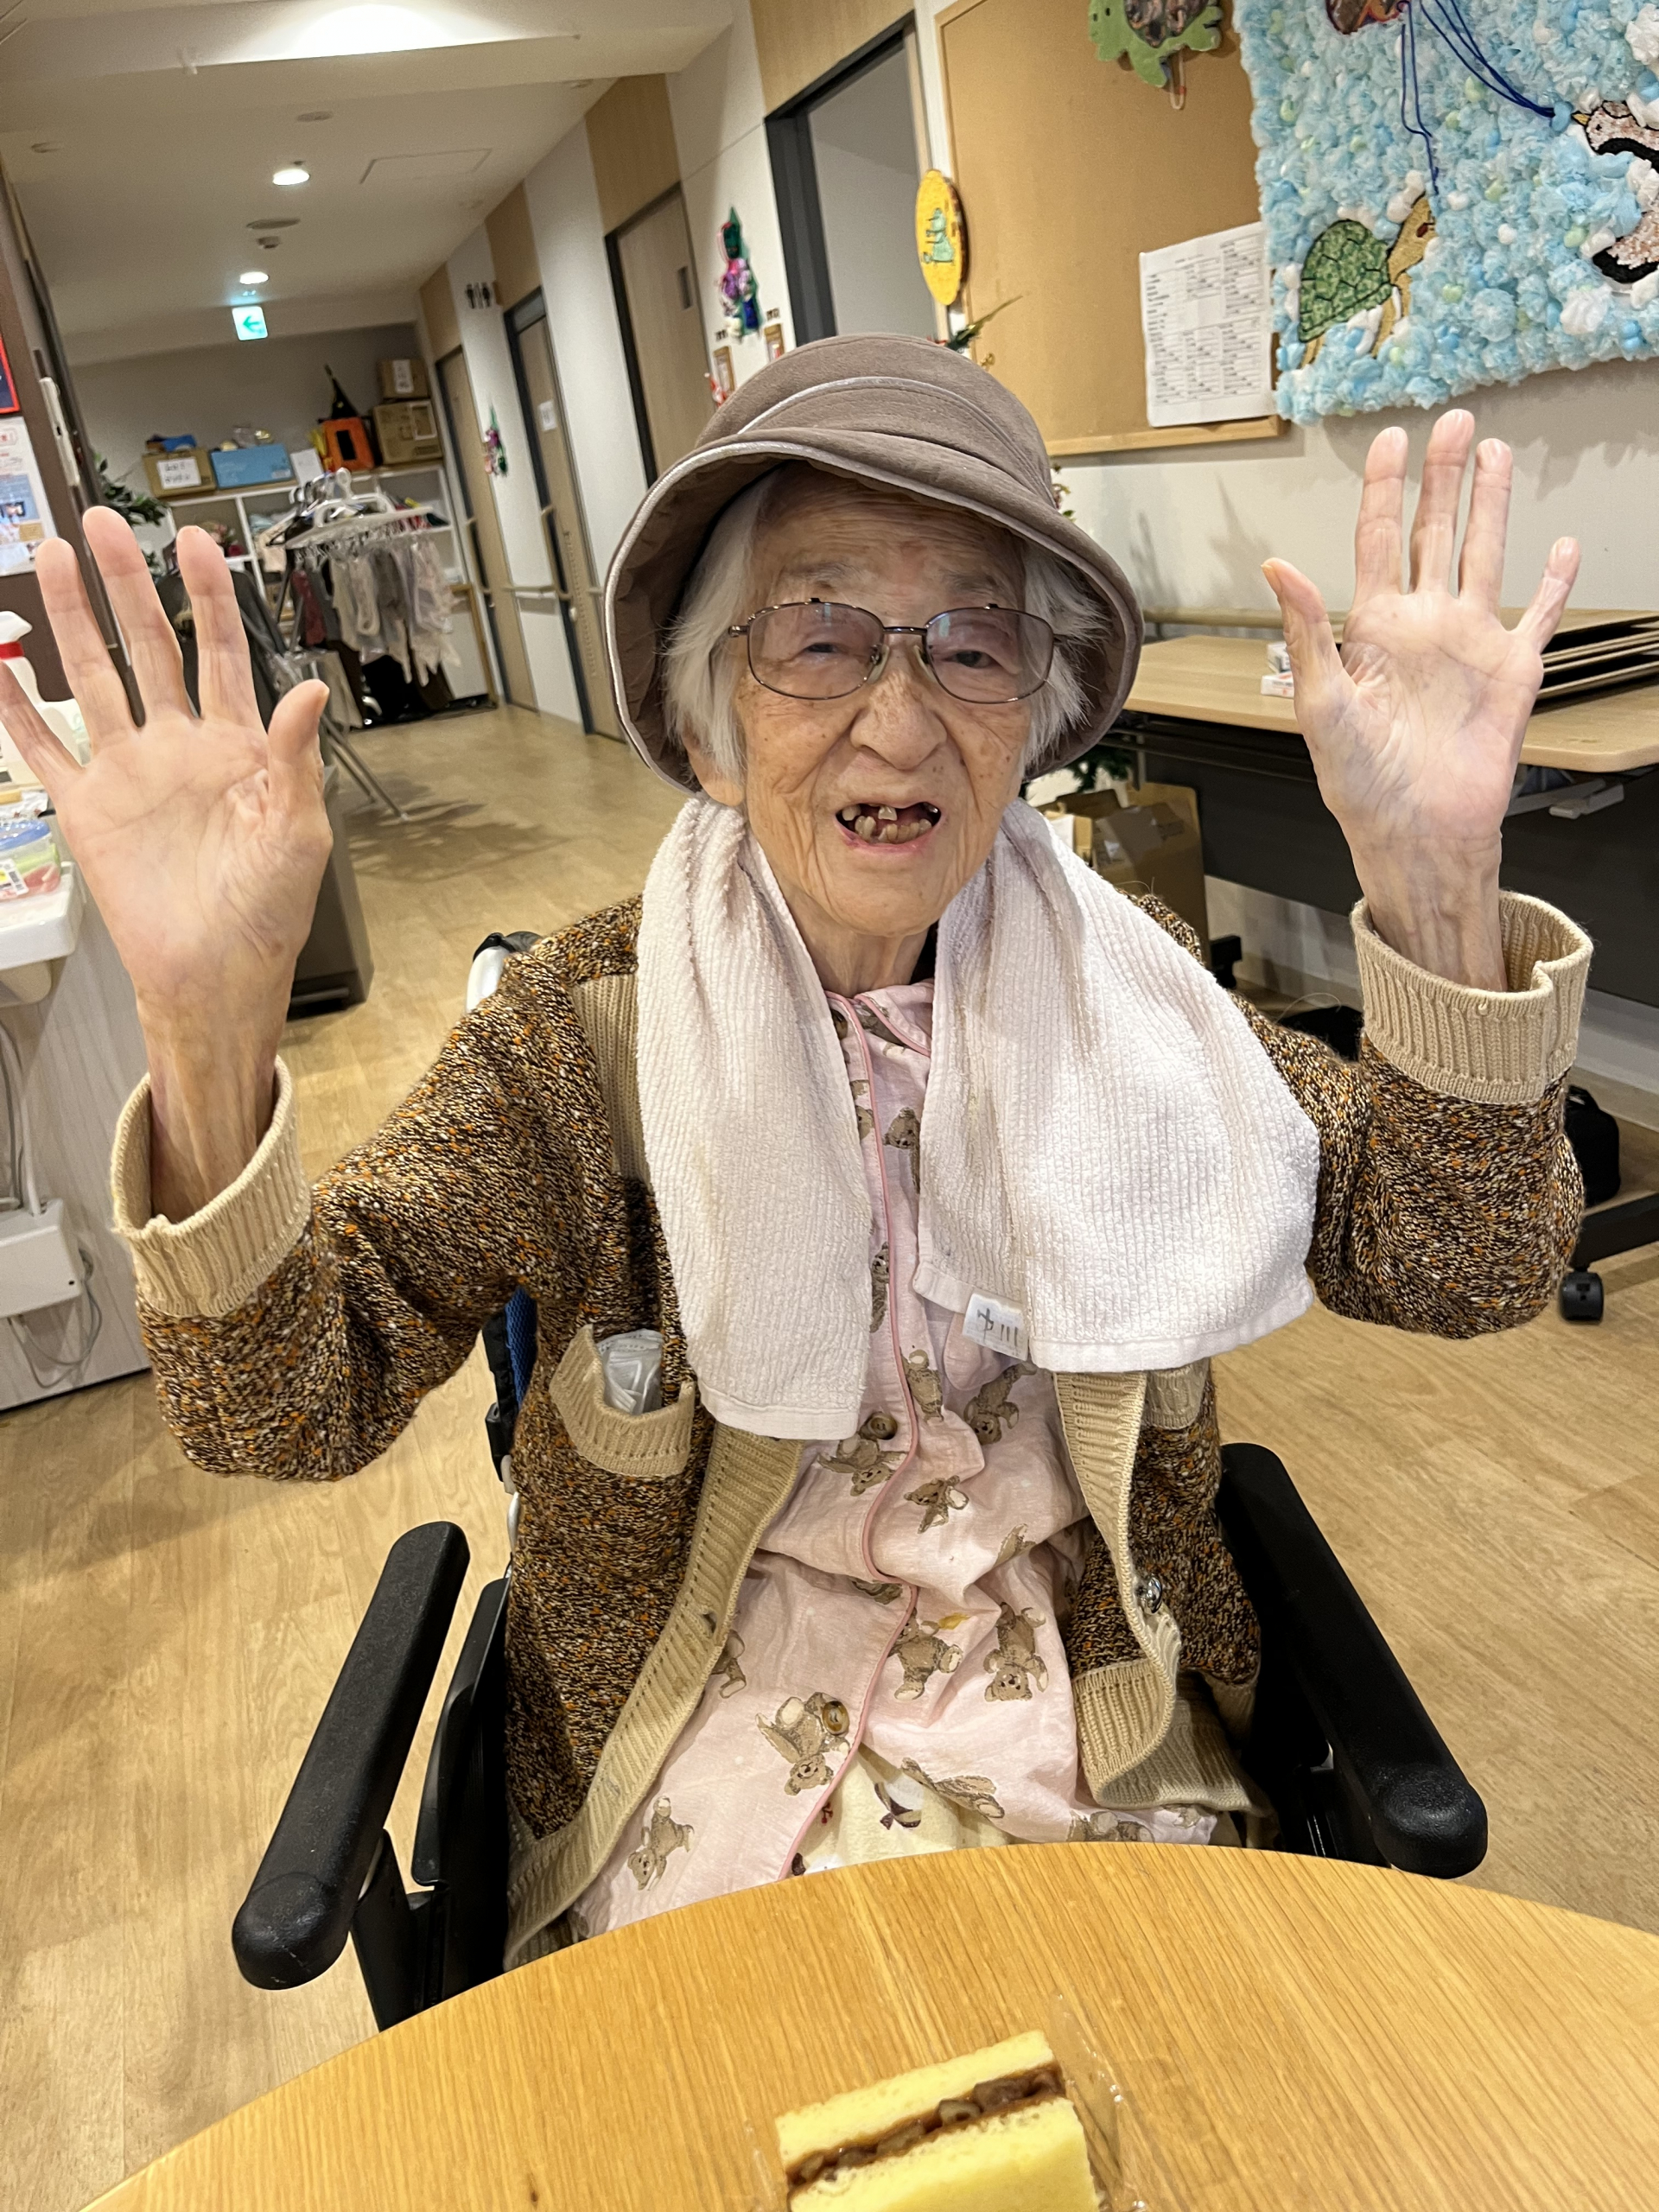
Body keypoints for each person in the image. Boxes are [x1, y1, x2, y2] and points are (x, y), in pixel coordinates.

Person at [0, 337, 1587, 1966]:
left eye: (973, 644)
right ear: (711, 725)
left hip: (1086, 1726)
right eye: (819, 639)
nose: (900, 722)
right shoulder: (583, 1040)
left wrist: (1435, 880)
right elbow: (285, 1406)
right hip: (695, 1755)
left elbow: (1460, 1263)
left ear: (1035, 716)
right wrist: (202, 1026)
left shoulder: (1134, 998)